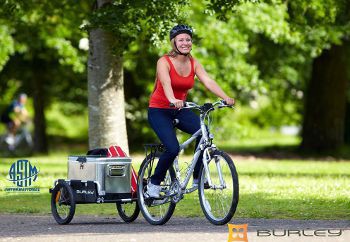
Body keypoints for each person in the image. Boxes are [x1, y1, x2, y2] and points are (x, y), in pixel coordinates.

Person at [147, 24, 235, 198]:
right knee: (172, 148)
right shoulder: (163, 61)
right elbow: (165, 83)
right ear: (174, 42)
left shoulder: (194, 63)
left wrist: (226, 97)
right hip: (159, 110)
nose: (185, 42)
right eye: (181, 39)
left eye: (188, 39)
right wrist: (172, 99)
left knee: (204, 133)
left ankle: (197, 177)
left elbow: (208, 81)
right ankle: (154, 183)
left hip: (180, 109)